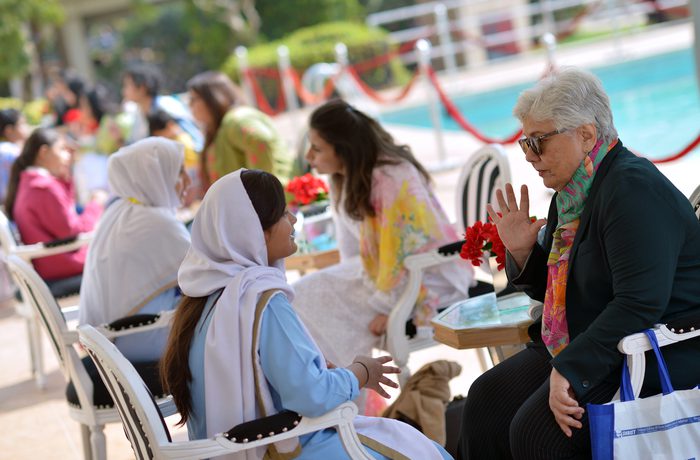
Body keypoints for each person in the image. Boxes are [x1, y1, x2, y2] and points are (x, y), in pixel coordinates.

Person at [458, 67, 700, 459]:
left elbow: (639, 303)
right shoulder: (573, 194)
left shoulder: (632, 189)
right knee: (486, 402)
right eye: (525, 143)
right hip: (596, 340)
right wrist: (522, 252)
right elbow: (567, 293)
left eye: (539, 141)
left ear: (586, 135)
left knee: (536, 434)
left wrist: (570, 368)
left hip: (650, 351)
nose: (530, 156)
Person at [160, 169, 453, 459]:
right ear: (255, 231)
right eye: (282, 214)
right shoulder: (261, 300)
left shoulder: (202, 303)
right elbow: (312, 397)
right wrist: (361, 373)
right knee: (423, 450)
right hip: (285, 447)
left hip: (238, 448)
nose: (293, 219)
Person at [292, 99, 474, 368]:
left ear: (344, 149)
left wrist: (391, 309)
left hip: (426, 277)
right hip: (381, 275)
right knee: (300, 297)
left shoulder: (391, 176)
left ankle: (347, 382)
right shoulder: (344, 180)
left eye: (317, 149)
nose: (309, 157)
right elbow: (351, 253)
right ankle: (342, 383)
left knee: (306, 299)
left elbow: (402, 252)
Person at [79, 137, 191, 362]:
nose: (187, 181)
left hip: (111, 341)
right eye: (178, 172)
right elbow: (205, 271)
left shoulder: (120, 209)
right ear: (154, 176)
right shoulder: (157, 222)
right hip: (140, 339)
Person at [6, 128, 104, 291]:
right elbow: (74, 231)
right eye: (62, 149)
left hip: (51, 263)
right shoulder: (43, 187)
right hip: (63, 265)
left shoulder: (31, 183)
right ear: (44, 153)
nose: (67, 156)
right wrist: (96, 204)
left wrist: (64, 178)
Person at [186, 71, 295, 192]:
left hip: (278, 200)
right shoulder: (221, 127)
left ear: (213, 97)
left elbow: (261, 141)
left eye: (193, 99)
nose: (189, 105)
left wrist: (260, 194)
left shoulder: (236, 120)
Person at [122, 63, 203, 151]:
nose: (124, 90)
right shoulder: (139, 113)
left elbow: (194, 138)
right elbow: (135, 145)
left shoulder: (166, 105)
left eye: (127, 85)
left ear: (142, 88)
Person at [0, 108, 29, 203]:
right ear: (9, 130)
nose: (27, 127)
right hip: (10, 203)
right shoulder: (10, 151)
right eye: (22, 124)